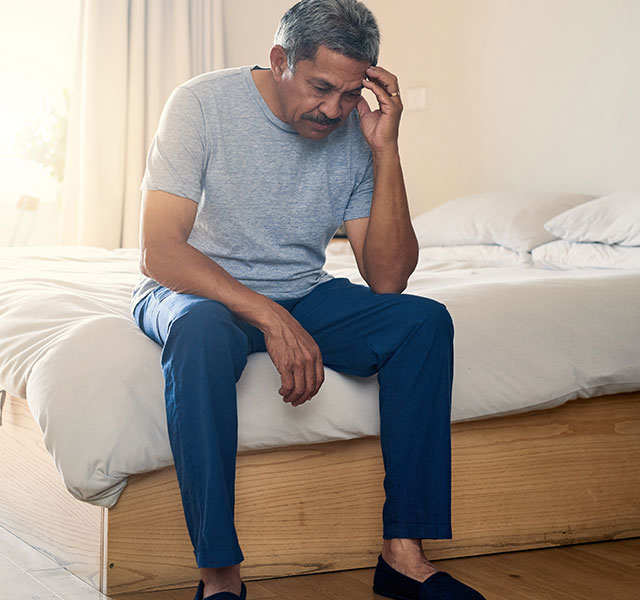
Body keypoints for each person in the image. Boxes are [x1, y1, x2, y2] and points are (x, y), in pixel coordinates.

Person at [131, 1, 485, 599]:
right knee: (201, 332)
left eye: (351, 95)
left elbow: (388, 279)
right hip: (193, 289)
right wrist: (269, 316)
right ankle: (219, 575)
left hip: (302, 290)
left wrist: (385, 148)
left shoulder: (354, 132)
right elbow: (160, 252)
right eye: (321, 87)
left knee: (423, 322)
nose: (334, 109)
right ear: (280, 60)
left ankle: (403, 556)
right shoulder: (200, 105)